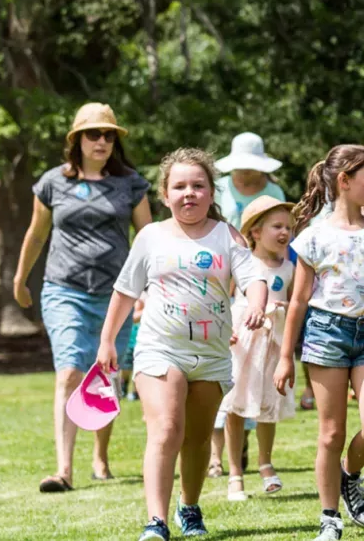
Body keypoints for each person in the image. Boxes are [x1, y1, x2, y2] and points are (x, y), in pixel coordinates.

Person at [96, 148, 269, 541]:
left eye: (198, 185)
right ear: (165, 193)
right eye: (179, 186)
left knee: (197, 438)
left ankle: (189, 507)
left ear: (211, 192)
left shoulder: (226, 235)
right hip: (160, 348)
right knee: (166, 428)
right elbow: (124, 292)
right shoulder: (150, 237)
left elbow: (254, 276)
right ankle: (155, 522)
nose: (188, 193)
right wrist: (107, 341)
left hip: (210, 355)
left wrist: (257, 305)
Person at [13, 102, 152, 494]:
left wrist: (148, 292)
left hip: (116, 294)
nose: (102, 141)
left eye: (109, 135)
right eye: (94, 134)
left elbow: (147, 239)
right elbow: (36, 233)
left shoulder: (131, 184)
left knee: (103, 376)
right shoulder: (53, 182)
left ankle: (101, 455)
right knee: (70, 371)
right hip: (64, 288)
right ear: (76, 140)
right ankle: (63, 470)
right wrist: (20, 278)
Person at [275, 145, 364, 540]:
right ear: (344, 182)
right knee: (330, 433)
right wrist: (284, 357)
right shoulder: (313, 237)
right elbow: (297, 301)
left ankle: (349, 475)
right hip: (326, 334)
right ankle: (329, 517)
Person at [220, 196, 298, 502]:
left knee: (270, 404)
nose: (284, 233)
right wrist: (225, 330)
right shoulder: (243, 265)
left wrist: (284, 308)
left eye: (288, 227)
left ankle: (265, 464)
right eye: (277, 226)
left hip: (274, 342)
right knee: (236, 406)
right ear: (255, 232)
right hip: (244, 341)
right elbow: (225, 300)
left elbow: (293, 305)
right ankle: (235, 475)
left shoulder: (290, 267)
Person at [213, 132, 286, 228]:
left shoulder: (274, 192)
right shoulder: (219, 188)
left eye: (249, 169)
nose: (244, 172)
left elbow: (281, 225)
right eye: (240, 168)